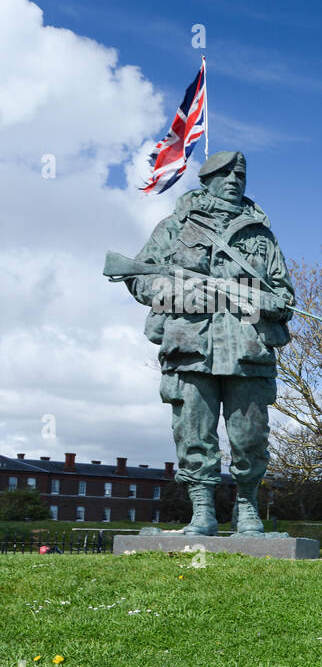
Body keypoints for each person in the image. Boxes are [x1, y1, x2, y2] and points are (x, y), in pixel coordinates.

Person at [123, 150, 294, 536]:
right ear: (207, 179)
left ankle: (247, 509)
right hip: (189, 348)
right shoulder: (175, 227)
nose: (235, 179)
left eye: (241, 174)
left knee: (250, 436)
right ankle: (202, 511)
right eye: (225, 173)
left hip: (248, 350)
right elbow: (139, 279)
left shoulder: (261, 236)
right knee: (193, 433)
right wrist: (186, 296)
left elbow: (283, 296)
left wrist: (250, 298)